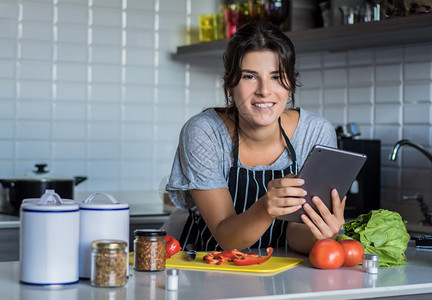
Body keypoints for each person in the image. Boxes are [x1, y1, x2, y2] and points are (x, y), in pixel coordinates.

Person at [163, 21, 345, 254]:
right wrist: (265, 207)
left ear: (290, 82)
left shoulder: (315, 133)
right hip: (206, 267)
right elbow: (225, 236)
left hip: (280, 272)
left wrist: (319, 232)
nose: (264, 90)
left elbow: (295, 235)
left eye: (277, 77)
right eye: (250, 76)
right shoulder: (204, 131)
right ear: (229, 83)